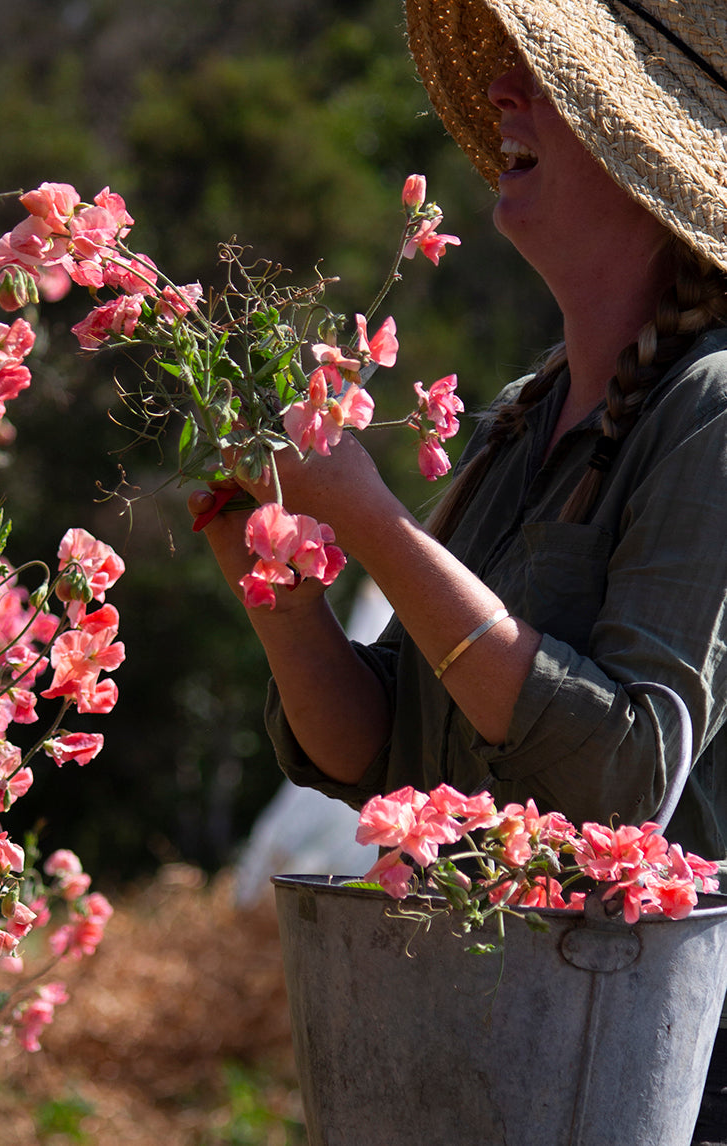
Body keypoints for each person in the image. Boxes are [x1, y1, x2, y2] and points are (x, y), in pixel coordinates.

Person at [188, 0, 727, 1140]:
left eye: (551, 84)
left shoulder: (713, 410)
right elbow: (380, 751)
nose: (502, 99)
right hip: (479, 1058)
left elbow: (627, 780)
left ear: (646, 159)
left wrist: (377, 524)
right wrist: (277, 591)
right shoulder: (522, 421)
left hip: (656, 1085)